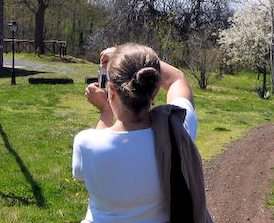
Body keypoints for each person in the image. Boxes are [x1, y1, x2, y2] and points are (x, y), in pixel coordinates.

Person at [72, 43, 212, 223]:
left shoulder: (86, 144)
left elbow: (87, 174)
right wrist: (125, 56)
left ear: (111, 91)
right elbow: (177, 79)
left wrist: (106, 112)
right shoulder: (176, 131)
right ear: (154, 92)